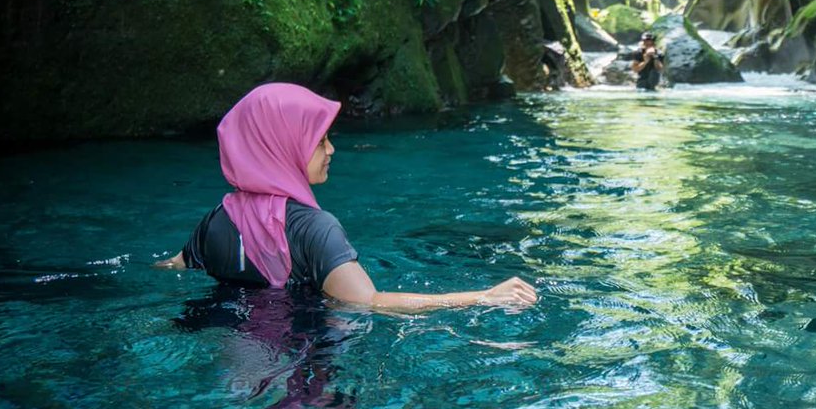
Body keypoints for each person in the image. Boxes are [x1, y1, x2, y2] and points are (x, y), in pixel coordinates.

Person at [156, 83, 538, 313]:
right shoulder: (316, 230)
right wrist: (484, 296)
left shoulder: (216, 220)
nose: (331, 150)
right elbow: (370, 303)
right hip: (303, 367)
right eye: (318, 140)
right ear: (280, 145)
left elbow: (170, 269)